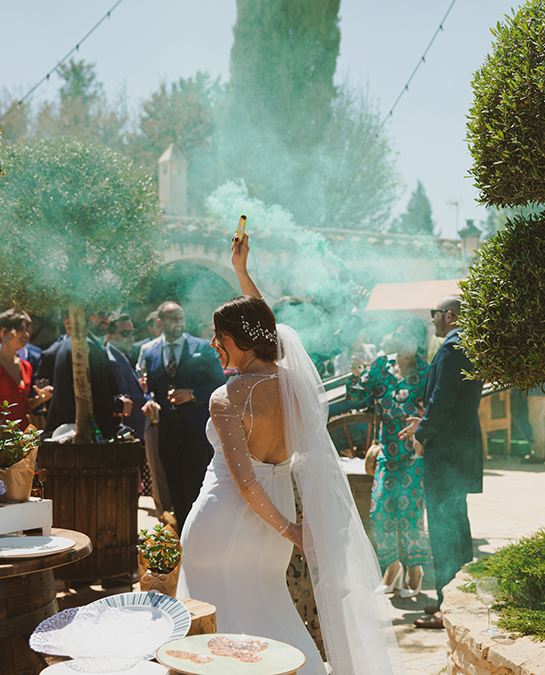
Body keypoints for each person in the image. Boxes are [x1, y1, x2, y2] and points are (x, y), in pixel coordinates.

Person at [177, 233, 404, 675]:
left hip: (225, 520)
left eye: (219, 336)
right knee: (267, 607)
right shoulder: (293, 385)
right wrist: (242, 272)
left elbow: (245, 483)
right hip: (274, 520)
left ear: (240, 339)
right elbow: (266, 328)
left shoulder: (227, 398)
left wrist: (293, 530)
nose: (213, 344)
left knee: (217, 621)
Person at [400, 295, 484, 629]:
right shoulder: (467, 345)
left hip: (447, 454)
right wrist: (423, 423)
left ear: (448, 316)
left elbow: (442, 400)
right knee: (457, 525)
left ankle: (448, 606)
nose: (431, 319)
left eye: (434, 314)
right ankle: (459, 599)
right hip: (460, 449)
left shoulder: (451, 349)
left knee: (445, 530)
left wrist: (422, 434)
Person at [346, 316, 430, 598]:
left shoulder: (427, 372)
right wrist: (356, 374)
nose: (398, 339)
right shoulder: (381, 366)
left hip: (415, 455)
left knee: (410, 512)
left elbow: (435, 411)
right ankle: (392, 566)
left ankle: (415, 569)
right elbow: (357, 397)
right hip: (386, 453)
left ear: (418, 341)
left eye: (406, 335)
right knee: (380, 511)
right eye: (397, 333)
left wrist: (422, 424)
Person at [139, 301, 225, 532]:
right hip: (166, 432)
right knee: (174, 489)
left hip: (195, 431)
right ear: (160, 322)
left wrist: (193, 394)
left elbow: (220, 384)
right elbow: (150, 390)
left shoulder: (203, 347)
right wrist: (149, 401)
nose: (178, 322)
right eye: (172, 318)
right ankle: (182, 536)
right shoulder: (151, 353)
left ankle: (202, 535)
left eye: (181, 317)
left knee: (196, 488)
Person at [44, 309, 131, 440]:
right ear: (86, 316)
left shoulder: (75, 343)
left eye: (108, 315)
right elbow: (89, 390)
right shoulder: (84, 346)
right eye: (100, 314)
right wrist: (118, 404)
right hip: (82, 432)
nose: (106, 319)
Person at [0, 310, 52, 431]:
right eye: (21, 330)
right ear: (4, 333)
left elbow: (22, 406)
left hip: (23, 434)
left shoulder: (25, 367)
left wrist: (41, 399)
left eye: (26, 329)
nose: (27, 334)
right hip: (1, 437)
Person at [105, 313, 147, 441]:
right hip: (127, 430)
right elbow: (123, 397)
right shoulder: (113, 361)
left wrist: (140, 388)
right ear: (110, 337)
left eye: (131, 333)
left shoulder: (121, 355)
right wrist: (148, 399)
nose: (131, 338)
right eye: (124, 333)